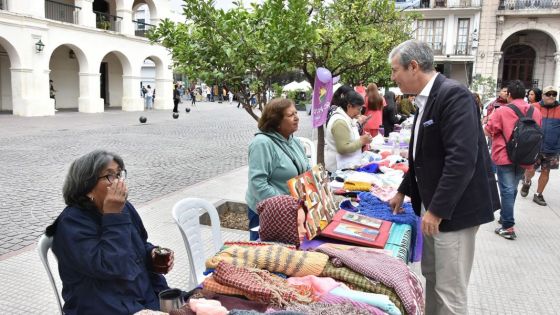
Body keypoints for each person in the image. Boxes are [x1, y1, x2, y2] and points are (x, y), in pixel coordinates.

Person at [388, 40, 499, 315]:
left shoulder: (453, 95)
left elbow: (461, 160)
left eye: (394, 70)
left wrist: (436, 210)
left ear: (413, 66)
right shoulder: (426, 99)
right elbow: (423, 156)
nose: (392, 78)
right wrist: (404, 189)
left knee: (450, 290)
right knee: (433, 277)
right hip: (433, 206)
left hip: (453, 211)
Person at [45, 150, 173, 314]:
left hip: (142, 298)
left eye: (119, 174)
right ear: (87, 187)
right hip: (105, 306)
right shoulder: (71, 223)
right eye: (110, 176)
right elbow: (110, 266)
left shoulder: (123, 207)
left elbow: (138, 246)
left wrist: (152, 255)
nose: (119, 181)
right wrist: (113, 216)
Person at [485, 80, 542, 239]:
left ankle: (508, 227)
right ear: (524, 94)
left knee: (507, 189)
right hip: (525, 156)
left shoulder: (502, 111)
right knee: (513, 188)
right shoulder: (534, 111)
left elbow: (489, 130)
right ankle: (505, 216)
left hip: (505, 155)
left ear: (509, 95)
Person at [246, 98, 310, 240]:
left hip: (293, 211)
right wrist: (288, 207)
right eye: (290, 115)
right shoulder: (261, 144)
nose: (297, 118)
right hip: (267, 213)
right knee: (265, 256)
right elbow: (258, 185)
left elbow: (306, 170)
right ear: (277, 122)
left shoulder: (294, 141)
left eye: (296, 113)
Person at [520, 85, 559, 206]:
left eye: (554, 94)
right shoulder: (533, 107)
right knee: (530, 169)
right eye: (548, 94)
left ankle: (538, 194)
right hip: (534, 146)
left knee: (546, 171)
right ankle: (527, 182)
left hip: (552, 148)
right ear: (542, 95)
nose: (551, 96)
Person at [325, 90, 372, 173]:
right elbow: (343, 148)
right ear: (349, 106)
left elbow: (348, 138)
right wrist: (362, 141)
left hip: (345, 167)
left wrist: (361, 138)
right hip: (338, 170)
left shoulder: (345, 118)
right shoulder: (340, 122)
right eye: (358, 109)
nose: (359, 113)